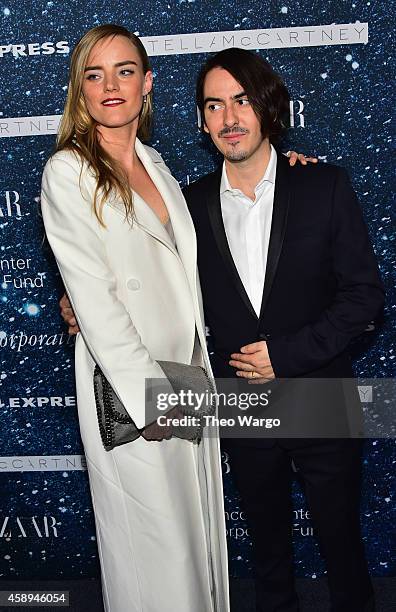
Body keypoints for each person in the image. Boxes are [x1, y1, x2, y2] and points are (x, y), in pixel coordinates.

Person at [184, 49, 384, 612]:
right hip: (241, 402)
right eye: (215, 105)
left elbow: (365, 298)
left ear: (268, 107)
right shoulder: (187, 205)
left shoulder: (322, 185)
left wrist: (287, 355)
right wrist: (78, 301)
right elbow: (145, 281)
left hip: (320, 393)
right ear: (202, 121)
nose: (229, 118)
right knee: (268, 555)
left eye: (242, 101)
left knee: (343, 549)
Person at [41, 24, 231, 612]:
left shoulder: (158, 165)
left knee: (197, 550)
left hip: (190, 381)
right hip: (132, 392)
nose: (111, 86)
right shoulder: (68, 172)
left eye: (125, 70)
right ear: (81, 89)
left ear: (147, 83)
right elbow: (96, 304)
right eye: (94, 74)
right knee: (156, 562)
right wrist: (152, 397)